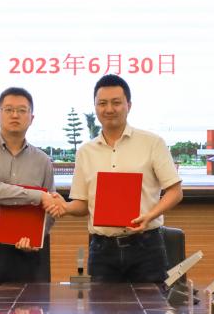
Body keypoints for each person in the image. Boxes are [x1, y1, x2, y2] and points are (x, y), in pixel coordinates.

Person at [54, 74, 183, 283]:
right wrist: (65, 207)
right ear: (95, 107)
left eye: (116, 103)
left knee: (150, 304)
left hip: (146, 247)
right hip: (102, 250)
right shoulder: (85, 152)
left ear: (128, 105)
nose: (109, 109)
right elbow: (82, 204)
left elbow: (175, 192)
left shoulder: (152, 143)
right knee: (101, 305)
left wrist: (149, 216)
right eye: (102, 103)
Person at [0, 86, 59, 284]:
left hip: (26, 251)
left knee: (29, 303)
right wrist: (38, 196)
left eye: (22, 110)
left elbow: (50, 207)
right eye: (8, 109)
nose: (15, 115)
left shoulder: (42, 160)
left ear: (31, 118)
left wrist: (37, 238)